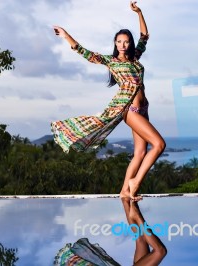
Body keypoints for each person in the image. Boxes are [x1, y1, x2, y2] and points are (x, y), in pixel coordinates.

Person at [51, 1, 166, 201]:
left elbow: (145, 36)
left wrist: (139, 12)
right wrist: (65, 35)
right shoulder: (111, 61)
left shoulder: (135, 59)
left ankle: (123, 192)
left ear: (129, 43)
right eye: (119, 42)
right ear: (115, 43)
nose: (122, 45)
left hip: (143, 109)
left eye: (126, 42)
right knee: (159, 144)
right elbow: (85, 53)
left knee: (140, 152)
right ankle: (135, 183)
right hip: (128, 109)